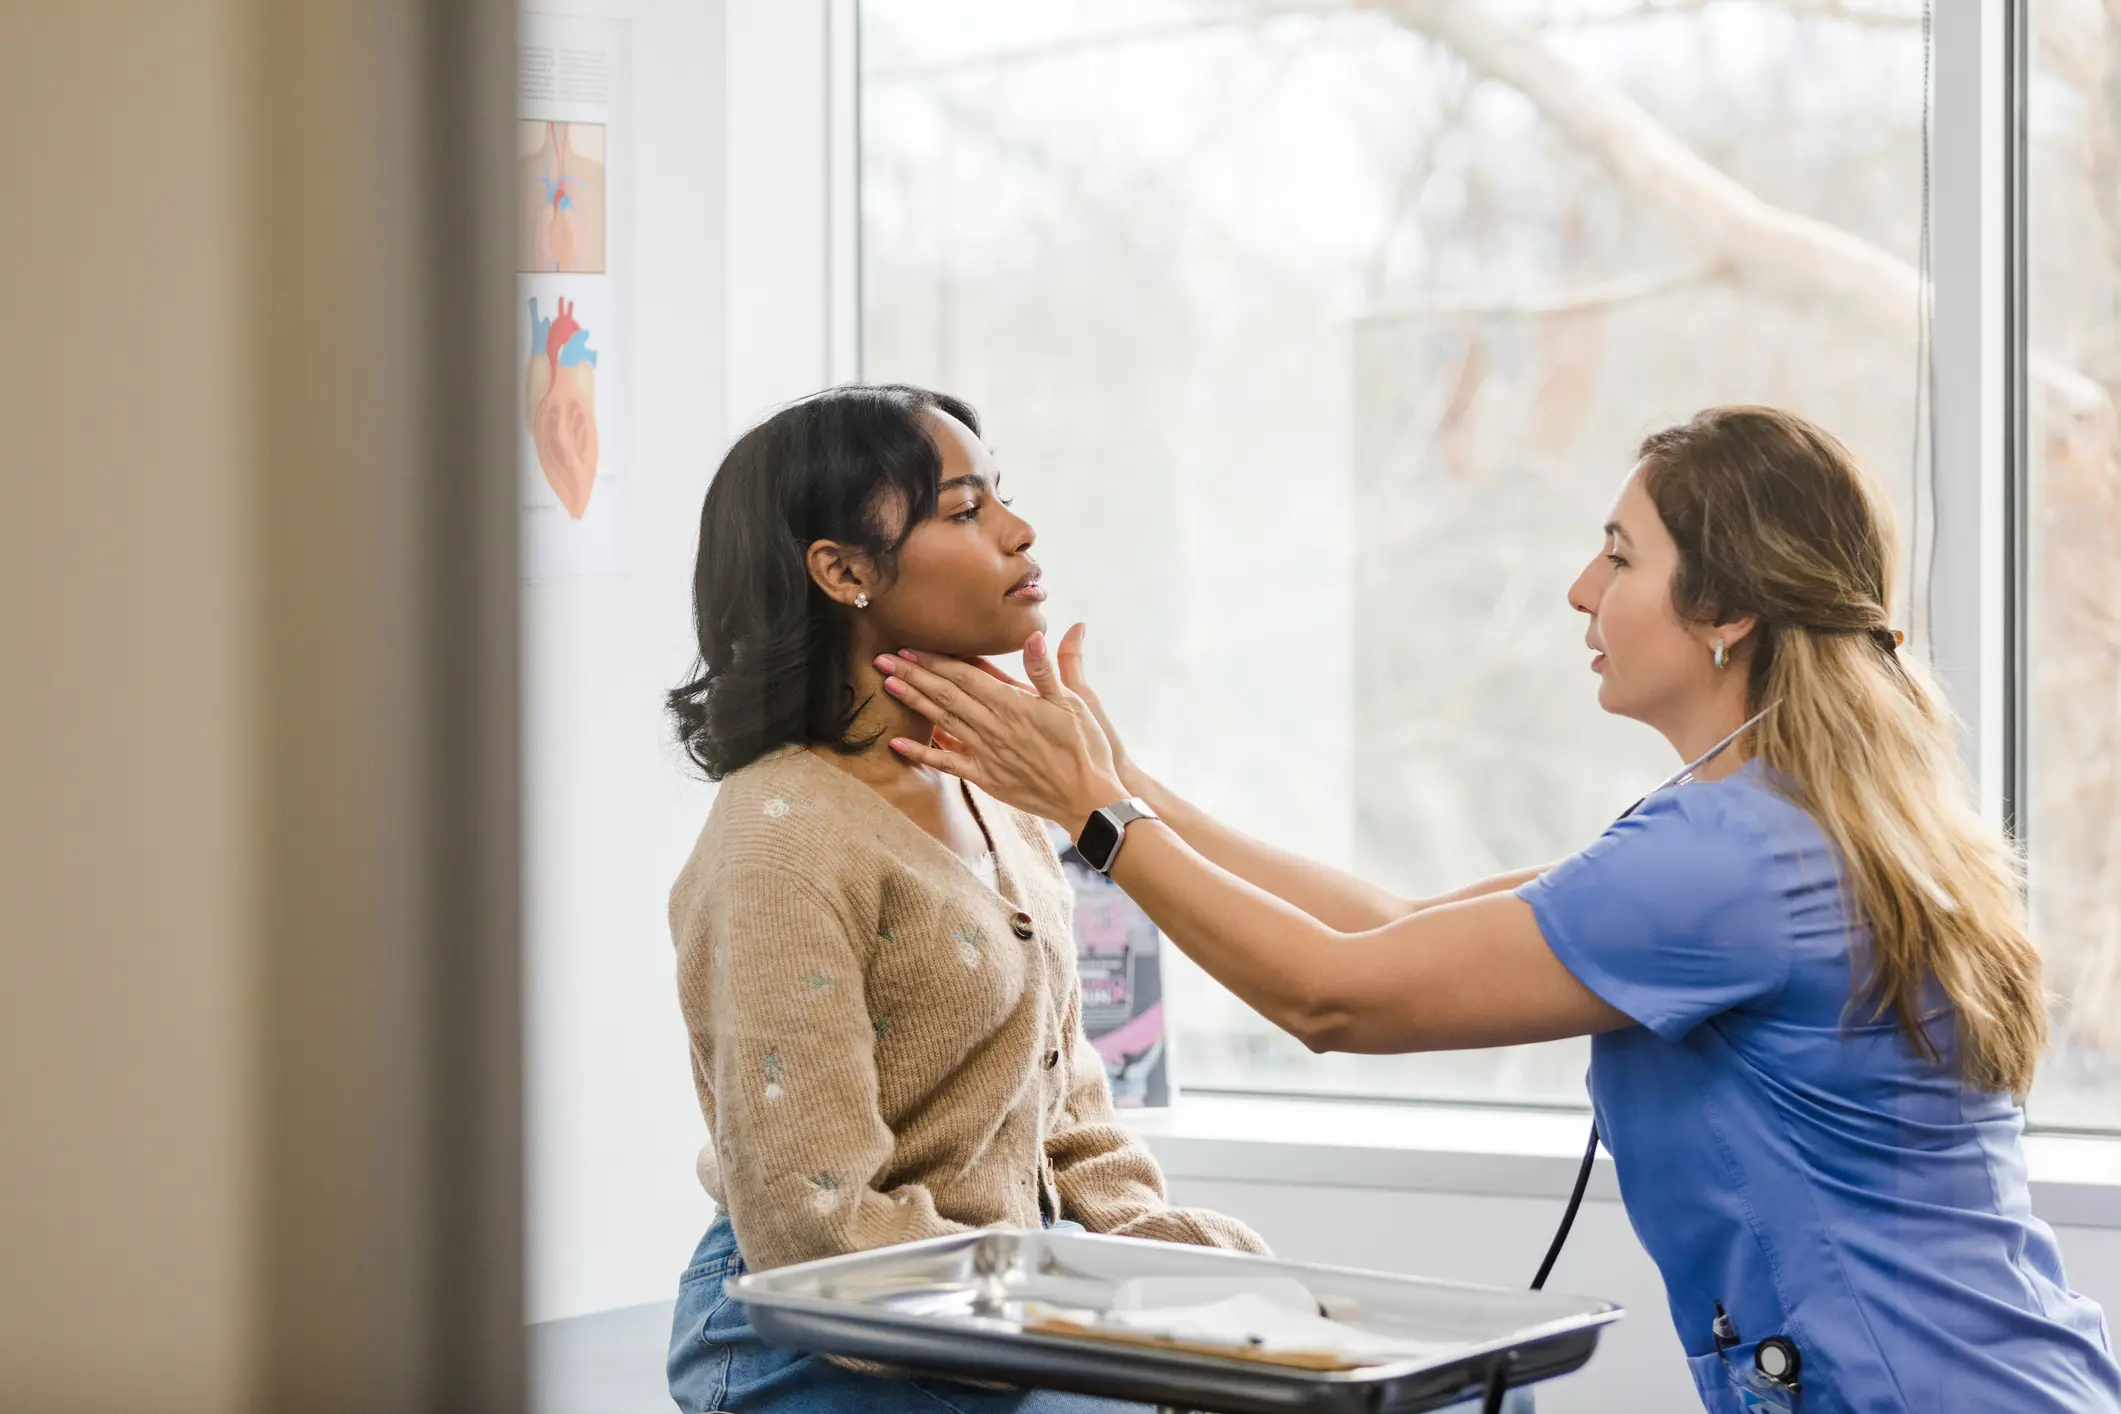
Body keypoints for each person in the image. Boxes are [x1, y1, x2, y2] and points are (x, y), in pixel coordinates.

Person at [874, 406, 2121, 1414]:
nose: (1583, 589)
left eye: (1623, 555)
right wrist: (1124, 786)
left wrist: (1097, 819)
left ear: (1730, 611)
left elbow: (1336, 996)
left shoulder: (1726, 860)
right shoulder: (1778, 819)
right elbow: (1389, 922)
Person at [661, 384, 1268, 1414]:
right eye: (965, 509)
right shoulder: (780, 847)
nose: (1019, 531)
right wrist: (1086, 1313)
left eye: (1004, 501)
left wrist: (1201, 1277)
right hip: (818, 1342)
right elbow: (819, 1226)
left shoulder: (997, 797)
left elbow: (1068, 1126)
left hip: (999, 1313)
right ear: (843, 569)